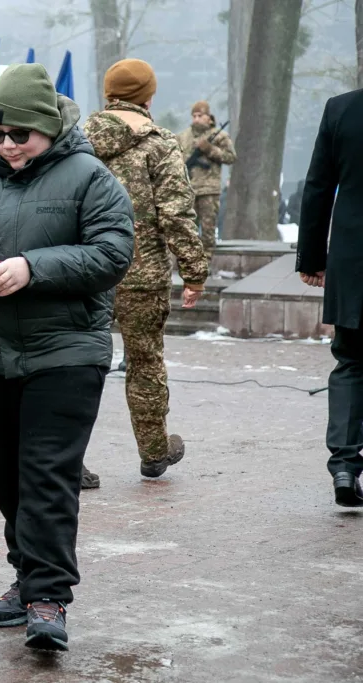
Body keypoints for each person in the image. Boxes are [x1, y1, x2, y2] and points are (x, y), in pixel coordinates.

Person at [0, 64, 133, 651]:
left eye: (21, 134)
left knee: (47, 472)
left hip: (67, 349)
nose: (9, 146)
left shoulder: (90, 176)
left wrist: (32, 268)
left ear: (47, 127)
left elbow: (113, 252)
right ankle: (25, 578)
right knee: (8, 474)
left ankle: (49, 597)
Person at [83, 59, 209, 482]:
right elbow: (175, 212)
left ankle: (65, 456)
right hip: (142, 276)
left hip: (83, 273)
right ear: (148, 97)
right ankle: (154, 451)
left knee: (76, 364)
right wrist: (194, 272)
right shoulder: (160, 143)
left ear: (108, 94)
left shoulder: (76, 141)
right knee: (145, 363)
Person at [296, 89, 363, 508]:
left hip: (354, 257)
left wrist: (312, 257)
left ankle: (343, 463)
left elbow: (318, 186)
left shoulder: (341, 109)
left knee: (352, 360)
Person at [177, 101, 236, 263]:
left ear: (209, 118)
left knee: (209, 230)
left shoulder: (220, 136)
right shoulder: (183, 136)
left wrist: (209, 149)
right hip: (188, 189)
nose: (196, 119)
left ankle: (207, 262)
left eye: (200, 116)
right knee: (188, 229)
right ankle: (190, 263)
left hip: (209, 190)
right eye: (194, 116)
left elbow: (231, 157)